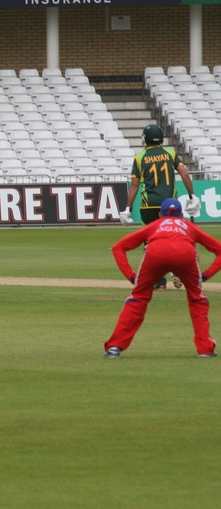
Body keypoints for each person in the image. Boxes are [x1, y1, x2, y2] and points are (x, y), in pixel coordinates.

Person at [105, 198, 221, 359]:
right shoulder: (189, 226)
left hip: (156, 253)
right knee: (197, 299)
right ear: (181, 215)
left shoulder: (155, 225)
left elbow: (119, 247)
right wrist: (206, 274)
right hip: (184, 254)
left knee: (138, 297)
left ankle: (114, 348)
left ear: (160, 214)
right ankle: (205, 349)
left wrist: (132, 277)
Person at [119, 124, 201, 289]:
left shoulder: (139, 158)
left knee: (151, 243)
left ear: (145, 140)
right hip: (170, 206)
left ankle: (159, 282)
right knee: (176, 237)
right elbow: (184, 174)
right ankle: (177, 271)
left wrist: (128, 209)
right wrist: (192, 196)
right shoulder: (170, 154)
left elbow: (134, 185)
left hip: (148, 206)